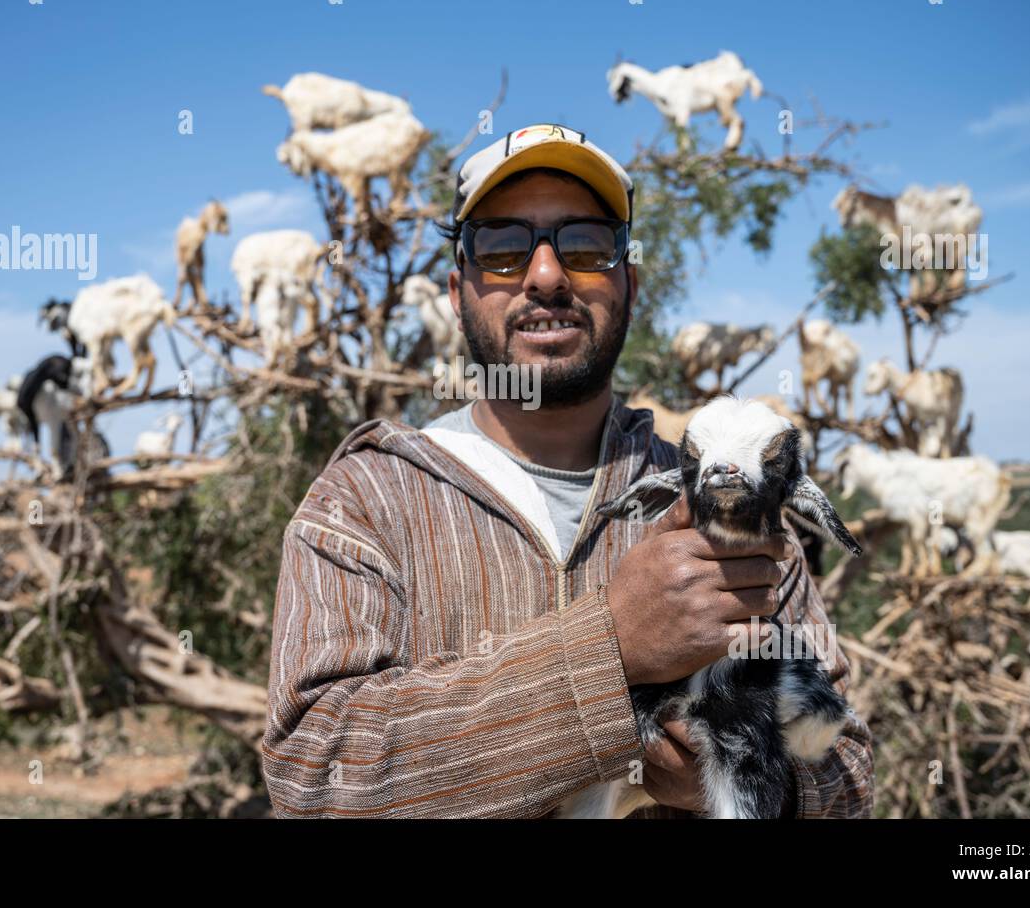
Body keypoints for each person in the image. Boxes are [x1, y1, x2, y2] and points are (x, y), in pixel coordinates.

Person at [261, 122, 873, 818]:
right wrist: (610, 649)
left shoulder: (733, 504)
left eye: (584, 246)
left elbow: (845, 766)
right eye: (501, 248)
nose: (546, 275)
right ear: (459, 291)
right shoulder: (366, 502)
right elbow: (314, 778)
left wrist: (738, 778)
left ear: (629, 285)